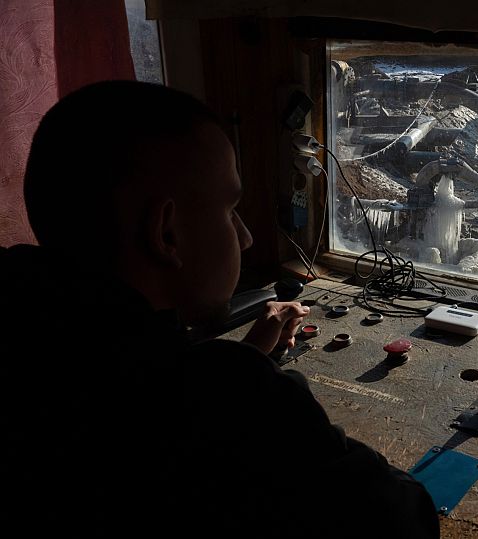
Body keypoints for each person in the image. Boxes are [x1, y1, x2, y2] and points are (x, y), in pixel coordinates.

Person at [0, 80, 439, 538]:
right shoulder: (224, 400)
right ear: (166, 235)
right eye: (229, 211)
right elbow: (404, 519)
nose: (246, 237)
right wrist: (245, 382)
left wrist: (243, 359)